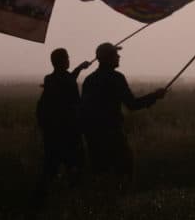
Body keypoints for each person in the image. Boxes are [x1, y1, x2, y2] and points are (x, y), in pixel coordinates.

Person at [80, 43, 165, 182]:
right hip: (112, 133)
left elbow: (83, 109)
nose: (119, 56)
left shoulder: (89, 80)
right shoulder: (116, 78)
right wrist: (155, 96)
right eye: (115, 54)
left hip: (93, 135)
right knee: (124, 171)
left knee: (99, 174)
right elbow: (132, 104)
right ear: (108, 58)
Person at [35, 48, 91, 196]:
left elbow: (66, 79)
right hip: (69, 133)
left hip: (52, 134)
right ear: (61, 61)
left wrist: (79, 68)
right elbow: (74, 99)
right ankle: (74, 199)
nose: (68, 60)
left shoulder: (50, 79)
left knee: (50, 169)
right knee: (76, 168)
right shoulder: (67, 81)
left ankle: (42, 199)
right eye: (67, 58)